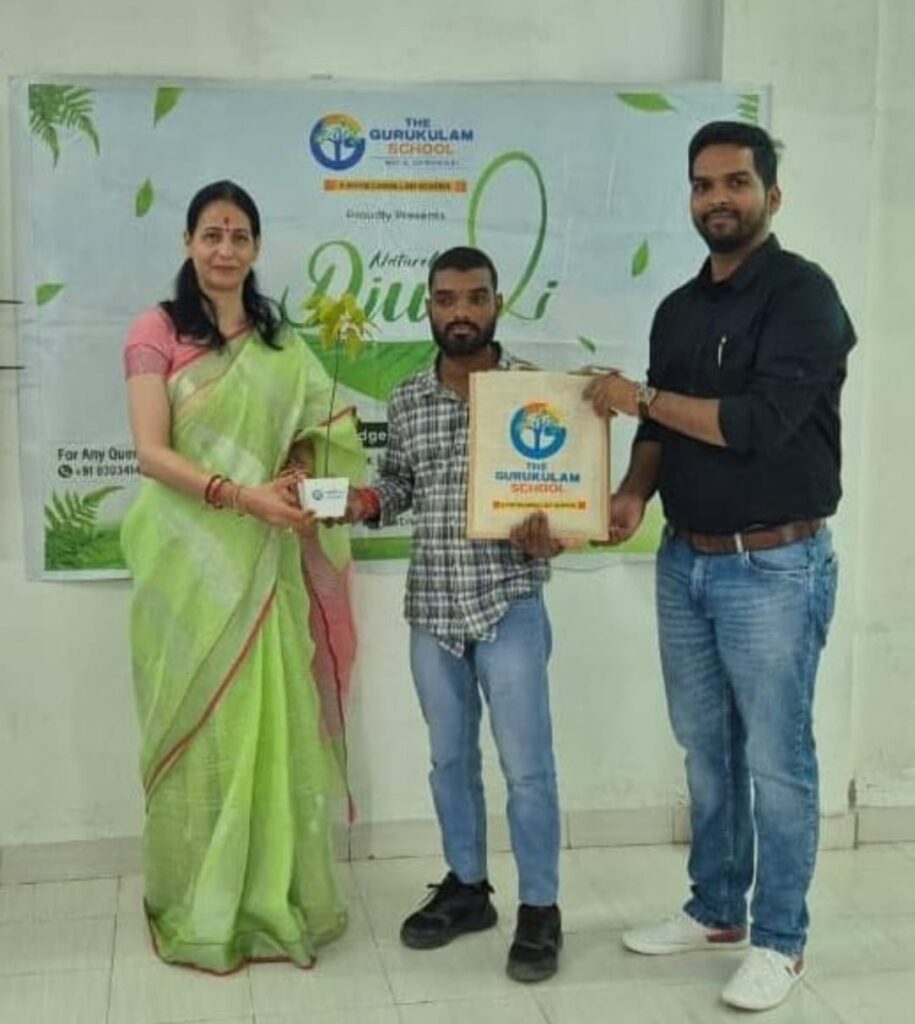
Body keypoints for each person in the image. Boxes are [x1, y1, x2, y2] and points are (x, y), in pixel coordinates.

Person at [585, 122, 855, 1011]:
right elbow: (658, 432)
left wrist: (640, 396)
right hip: (685, 563)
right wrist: (630, 495)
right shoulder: (677, 309)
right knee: (706, 750)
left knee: (777, 759)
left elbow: (755, 424)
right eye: (703, 185)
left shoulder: (804, 296)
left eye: (736, 182)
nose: (718, 199)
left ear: (771, 195)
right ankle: (713, 910)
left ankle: (781, 939)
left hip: (774, 565)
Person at [121, 180, 364, 973]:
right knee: (199, 730)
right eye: (211, 234)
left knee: (270, 724)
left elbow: (314, 433)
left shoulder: (279, 343)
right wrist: (241, 496)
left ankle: (266, 896)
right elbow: (151, 453)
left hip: (263, 560)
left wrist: (294, 473)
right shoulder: (156, 330)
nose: (225, 249)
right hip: (184, 561)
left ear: (256, 247)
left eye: (238, 235)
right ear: (189, 243)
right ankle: (200, 901)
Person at [347, 246, 565, 983]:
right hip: (433, 611)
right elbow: (399, 485)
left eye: (475, 298)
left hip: (509, 603)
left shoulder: (534, 392)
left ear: (497, 303)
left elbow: (561, 496)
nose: (461, 312)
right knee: (448, 761)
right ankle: (467, 888)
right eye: (446, 300)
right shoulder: (408, 397)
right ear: (430, 308)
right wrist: (365, 501)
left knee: (527, 769)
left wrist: (553, 532)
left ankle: (540, 907)